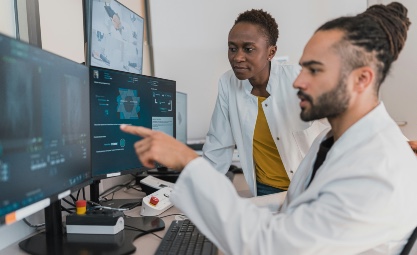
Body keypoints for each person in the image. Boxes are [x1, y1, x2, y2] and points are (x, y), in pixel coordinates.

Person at [121, 2, 417, 254]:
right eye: (302, 68)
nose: (298, 82)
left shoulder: (376, 168)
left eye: (314, 70)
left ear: (362, 79)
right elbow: (292, 212)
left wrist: (188, 162)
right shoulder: (330, 142)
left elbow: (272, 244)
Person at [202, 9, 328, 196]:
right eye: (232, 48)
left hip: (310, 189)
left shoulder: (300, 79)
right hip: (265, 192)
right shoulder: (228, 83)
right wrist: (198, 195)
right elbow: (217, 146)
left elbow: (339, 127)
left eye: (248, 49)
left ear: (271, 52)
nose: (237, 57)